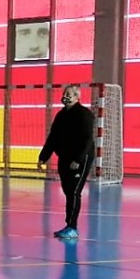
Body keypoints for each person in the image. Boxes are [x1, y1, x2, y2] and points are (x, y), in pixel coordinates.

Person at [38, 85, 95, 239]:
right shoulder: (61, 115)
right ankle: (68, 225)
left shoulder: (84, 114)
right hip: (65, 157)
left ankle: (72, 227)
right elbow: (53, 137)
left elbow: (87, 139)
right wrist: (43, 156)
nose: (65, 96)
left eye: (69, 94)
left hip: (81, 158)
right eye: (64, 93)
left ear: (77, 97)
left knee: (74, 191)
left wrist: (78, 159)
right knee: (67, 190)